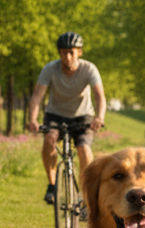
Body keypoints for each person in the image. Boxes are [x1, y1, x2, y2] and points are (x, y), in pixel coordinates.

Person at [26, 32, 105, 205]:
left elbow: (99, 96)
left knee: (83, 149)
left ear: (79, 52)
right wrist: (33, 119)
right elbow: (37, 96)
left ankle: (86, 194)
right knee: (49, 139)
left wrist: (99, 117)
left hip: (82, 116)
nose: (68, 57)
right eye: (64, 52)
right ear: (59, 53)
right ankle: (52, 184)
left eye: (71, 52)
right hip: (56, 114)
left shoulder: (89, 69)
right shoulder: (50, 69)